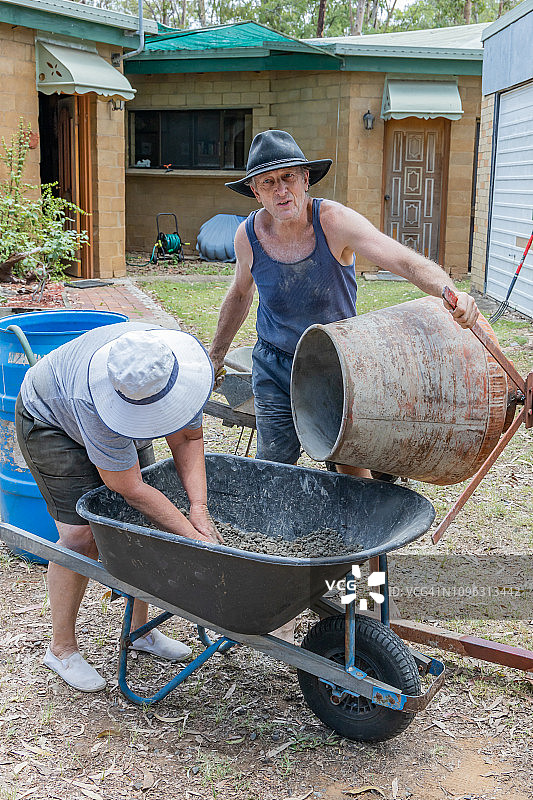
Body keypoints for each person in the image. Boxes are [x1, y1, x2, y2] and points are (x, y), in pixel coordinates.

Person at [209, 129, 480, 469]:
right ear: (255, 191)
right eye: (268, 182)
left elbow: (402, 260)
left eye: (288, 177)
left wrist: (448, 291)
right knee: (274, 464)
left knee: (349, 464)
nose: (281, 191)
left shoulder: (334, 222)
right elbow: (240, 293)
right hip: (275, 365)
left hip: (334, 363)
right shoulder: (248, 236)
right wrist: (215, 356)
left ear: (305, 179)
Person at [16, 321, 219, 692]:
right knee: (81, 537)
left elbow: (188, 437)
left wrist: (199, 506)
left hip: (110, 410)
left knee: (144, 524)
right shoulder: (92, 401)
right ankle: (61, 650)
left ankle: (140, 633)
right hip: (52, 421)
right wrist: (193, 536)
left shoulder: (169, 367)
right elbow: (128, 487)